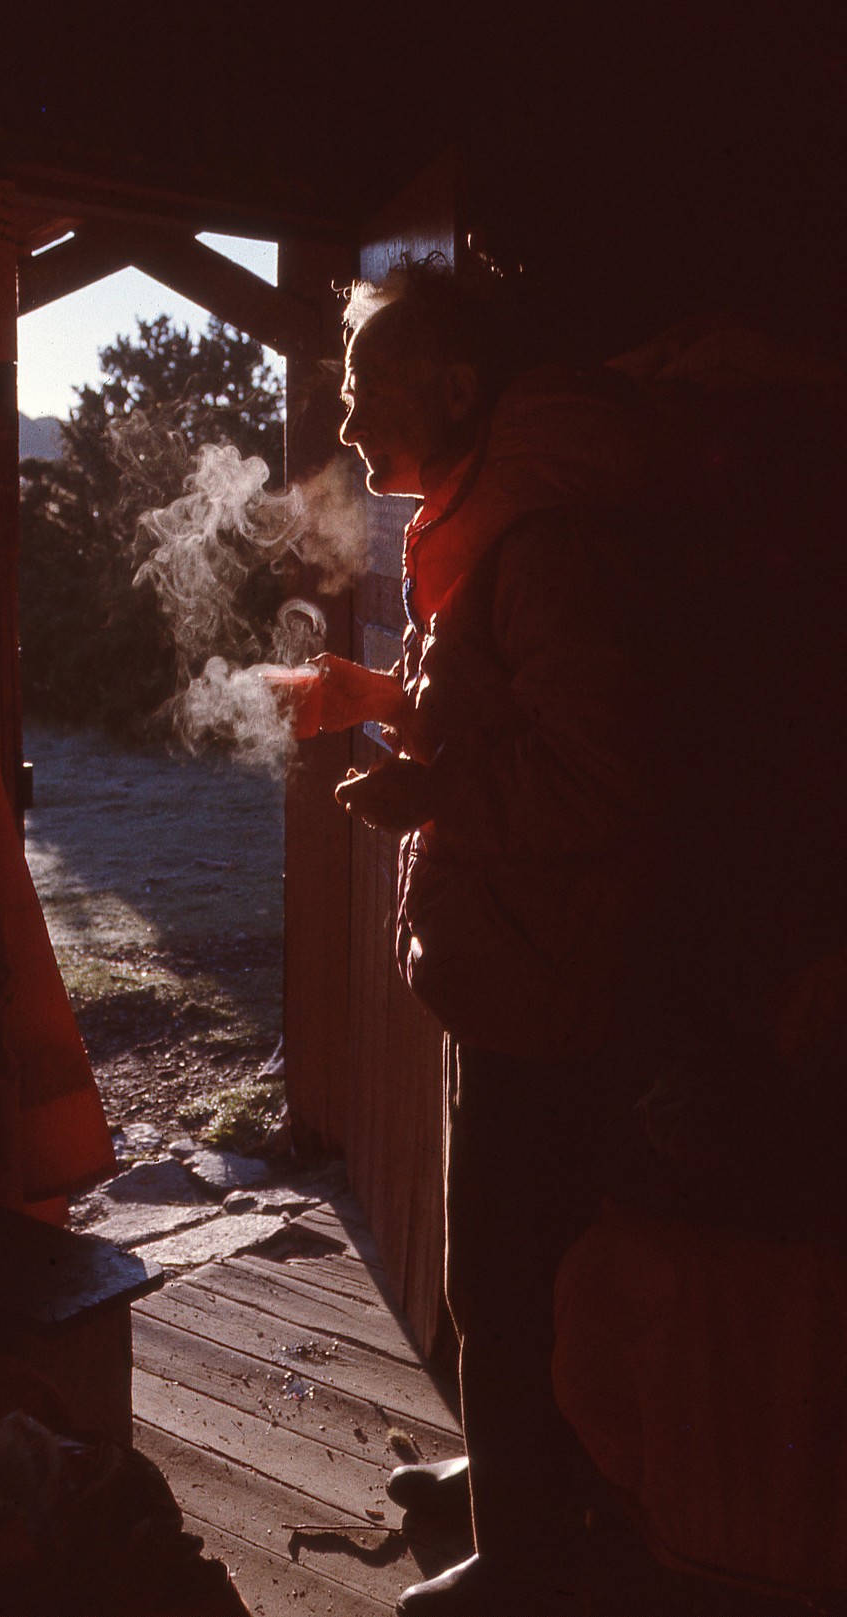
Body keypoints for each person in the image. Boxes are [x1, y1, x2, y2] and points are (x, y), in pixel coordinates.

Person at [309, 256, 660, 1615]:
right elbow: (502, 708)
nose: (346, 424)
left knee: (510, 1273)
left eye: (364, 391)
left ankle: (524, 1560)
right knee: (486, 1251)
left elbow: (601, 777)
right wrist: (388, 699)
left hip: (545, 970)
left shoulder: (542, 537)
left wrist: (431, 787)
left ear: (458, 388)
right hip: (503, 961)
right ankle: (498, 1472)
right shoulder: (485, 521)